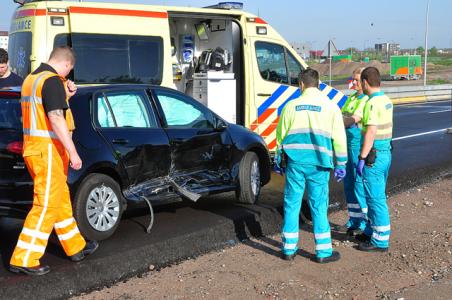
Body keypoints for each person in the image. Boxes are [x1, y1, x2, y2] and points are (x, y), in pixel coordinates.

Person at [9, 46, 98, 276]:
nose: (67, 76)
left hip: (37, 150)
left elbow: (41, 110)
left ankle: (75, 247)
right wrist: (74, 152)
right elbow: (56, 118)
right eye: (69, 71)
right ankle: (24, 258)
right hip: (48, 151)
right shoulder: (51, 81)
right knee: (46, 205)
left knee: (60, 201)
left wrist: (66, 96)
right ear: (67, 65)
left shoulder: (32, 79)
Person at [275, 68, 347, 263]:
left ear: (301, 84)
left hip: (295, 163)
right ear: (319, 83)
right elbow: (339, 140)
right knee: (318, 206)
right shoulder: (331, 107)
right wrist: (341, 164)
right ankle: (323, 253)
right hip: (319, 164)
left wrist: (278, 158)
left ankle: (288, 250)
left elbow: (280, 136)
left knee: (291, 204)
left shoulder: (291, 106)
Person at [355, 66, 393, 252]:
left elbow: (370, 132)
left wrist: (362, 157)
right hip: (385, 153)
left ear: (364, 82)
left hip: (374, 157)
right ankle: (371, 231)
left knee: (375, 198)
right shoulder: (386, 100)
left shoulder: (371, 103)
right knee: (374, 196)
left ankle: (380, 241)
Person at [340, 68, 369, 236]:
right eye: (353, 79)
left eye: (357, 80)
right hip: (346, 143)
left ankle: (365, 223)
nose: (354, 82)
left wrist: (336, 121)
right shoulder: (351, 98)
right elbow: (343, 114)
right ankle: (354, 220)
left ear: (365, 81)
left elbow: (353, 119)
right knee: (348, 184)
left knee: (358, 185)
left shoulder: (366, 99)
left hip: (357, 145)